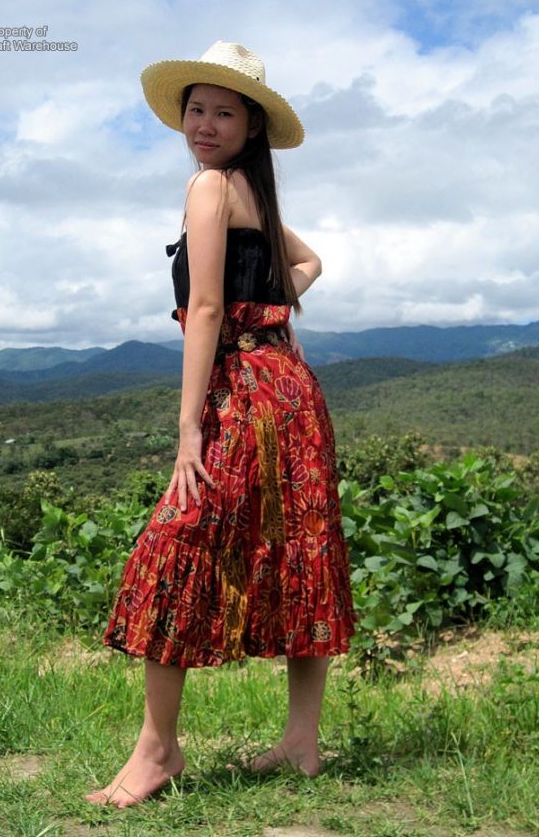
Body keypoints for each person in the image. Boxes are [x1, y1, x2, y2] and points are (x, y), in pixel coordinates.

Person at [85, 40, 357, 810]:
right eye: (196, 109)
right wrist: (272, 312)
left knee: (175, 541)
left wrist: (188, 431)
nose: (204, 124)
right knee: (302, 546)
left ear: (250, 125)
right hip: (291, 393)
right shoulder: (248, 192)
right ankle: (300, 740)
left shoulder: (212, 187)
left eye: (223, 112)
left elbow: (204, 309)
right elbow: (308, 265)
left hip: (242, 393)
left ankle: (159, 750)